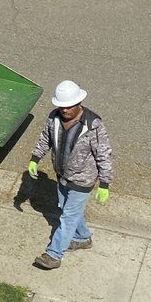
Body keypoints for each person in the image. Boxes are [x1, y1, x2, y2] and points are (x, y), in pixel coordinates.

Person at [29, 80, 114, 270]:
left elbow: (104, 154)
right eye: (61, 106)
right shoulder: (54, 118)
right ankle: (83, 238)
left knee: (67, 217)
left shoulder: (93, 125)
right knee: (69, 211)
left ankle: (54, 254)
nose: (64, 110)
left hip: (82, 181)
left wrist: (104, 183)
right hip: (61, 176)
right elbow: (45, 138)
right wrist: (35, 157)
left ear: (79, 103)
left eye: (68, 106)